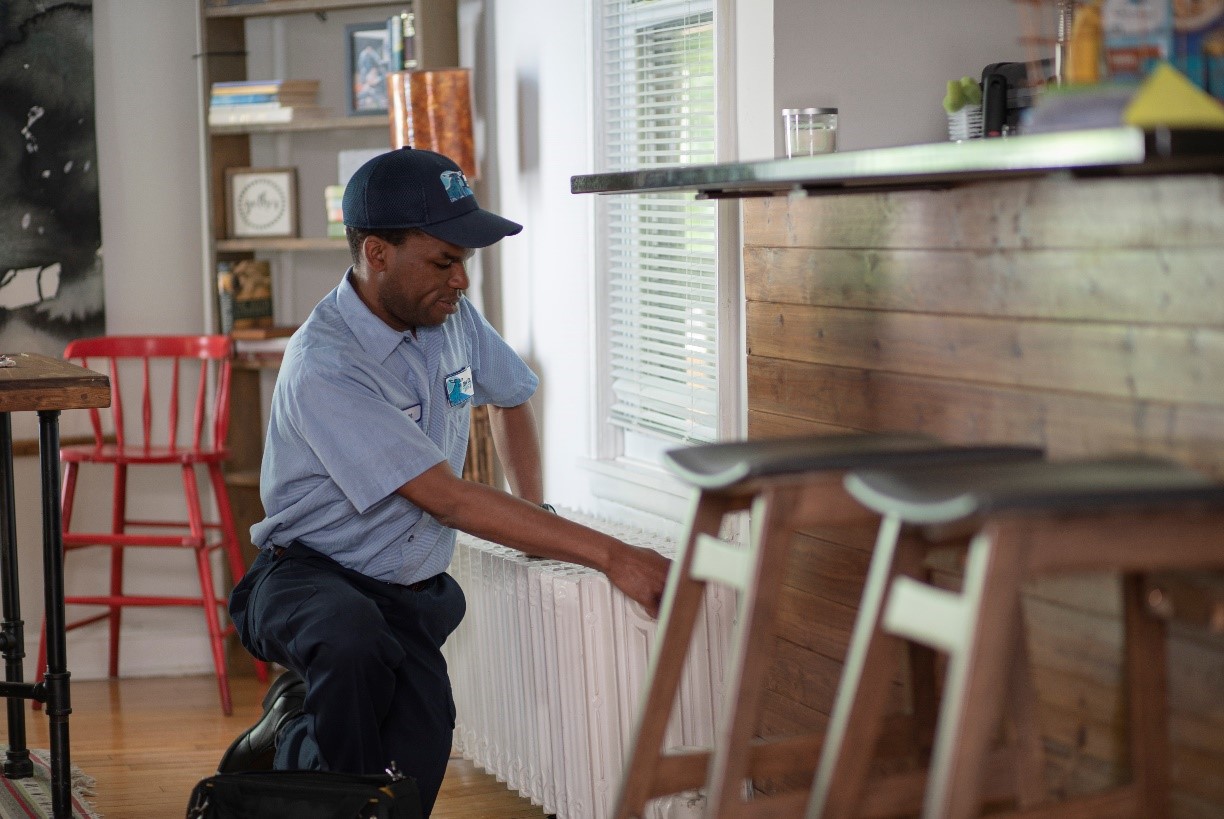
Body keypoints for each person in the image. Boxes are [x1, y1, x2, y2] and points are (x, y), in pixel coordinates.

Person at [216, 146, 671, 816]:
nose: (461, 279)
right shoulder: (326, 365)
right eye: (443, 260)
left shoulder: (448, 316)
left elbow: (511, 393)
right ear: (376, 253)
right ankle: (291, 738)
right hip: (307, 579)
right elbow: (447, 498)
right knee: (351, 644)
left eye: (465, 261)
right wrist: (613, 553)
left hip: (404, 596)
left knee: (406, 783)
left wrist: (532, 510)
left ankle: (300, 729)